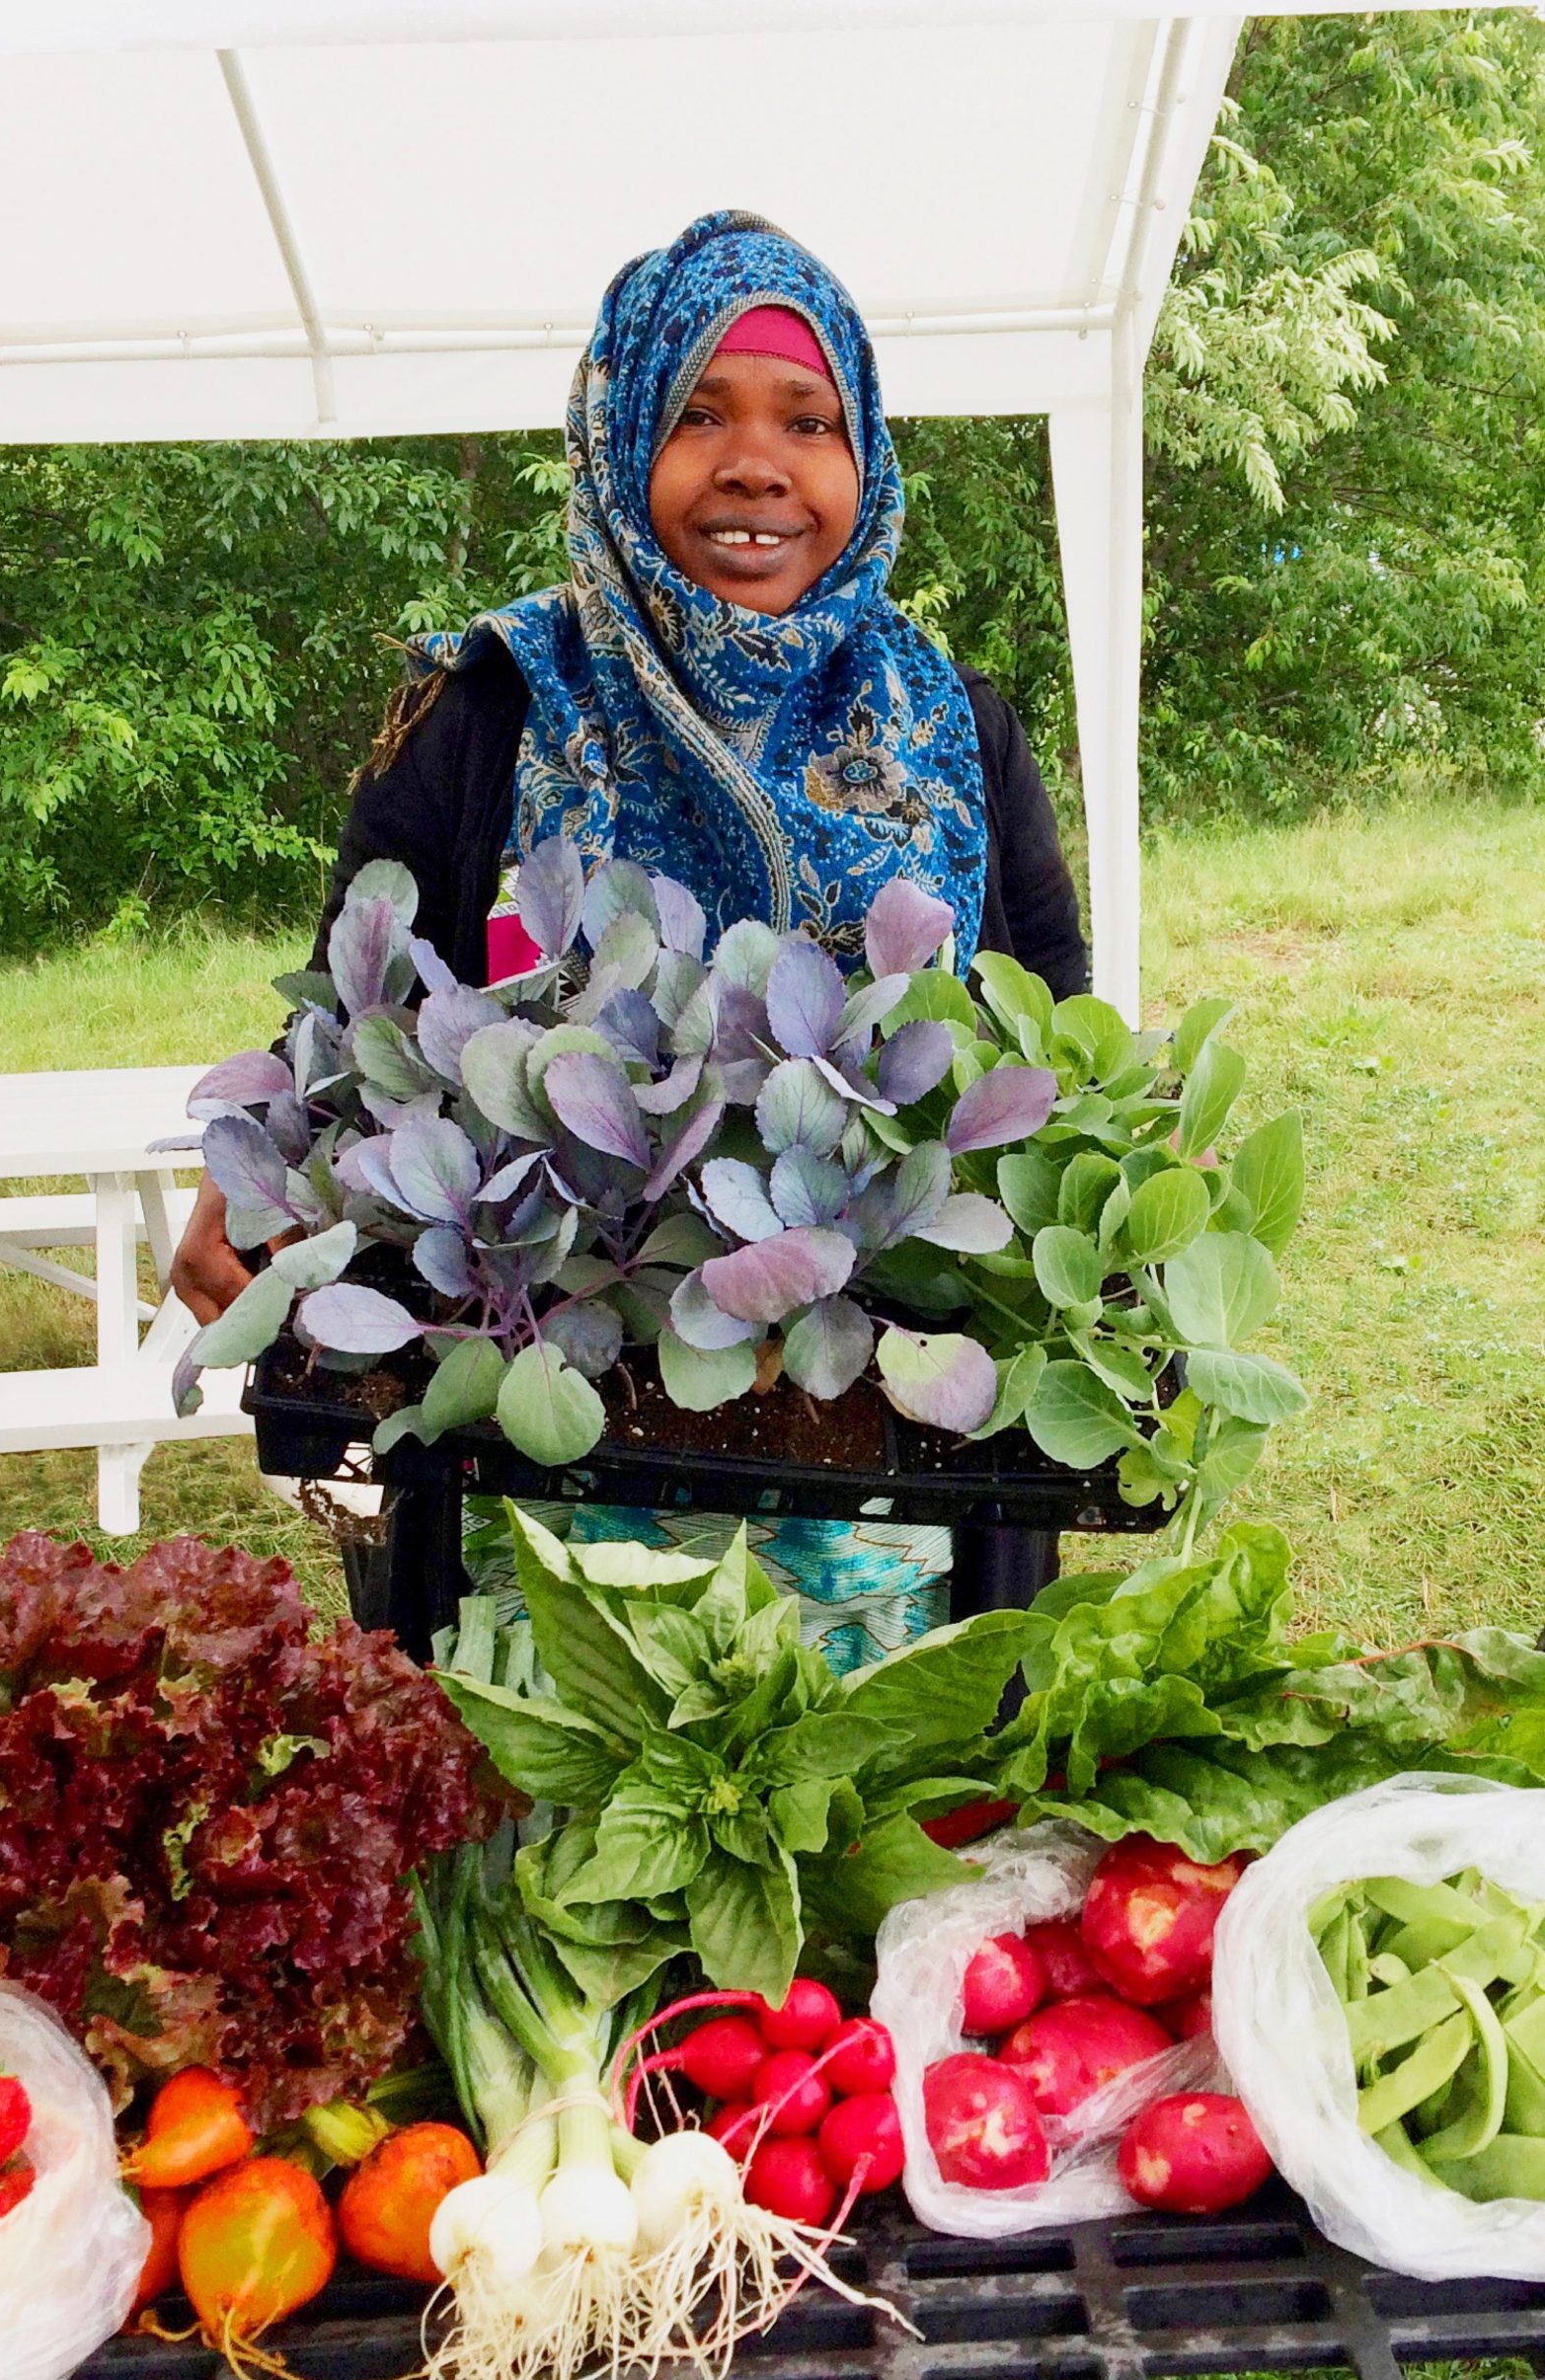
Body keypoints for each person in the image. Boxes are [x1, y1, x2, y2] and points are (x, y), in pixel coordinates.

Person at [175, 207, 1086, 1665]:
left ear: (863, 461)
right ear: (615, 444)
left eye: (807, 420)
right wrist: (268, 1172)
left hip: (890, 1496)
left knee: (895, 1842)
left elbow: (1051, 1042)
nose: (756, 465)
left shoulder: (953, 727)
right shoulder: (485, 704)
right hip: (536, 1466)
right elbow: (354, 1019)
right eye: (697, 416)